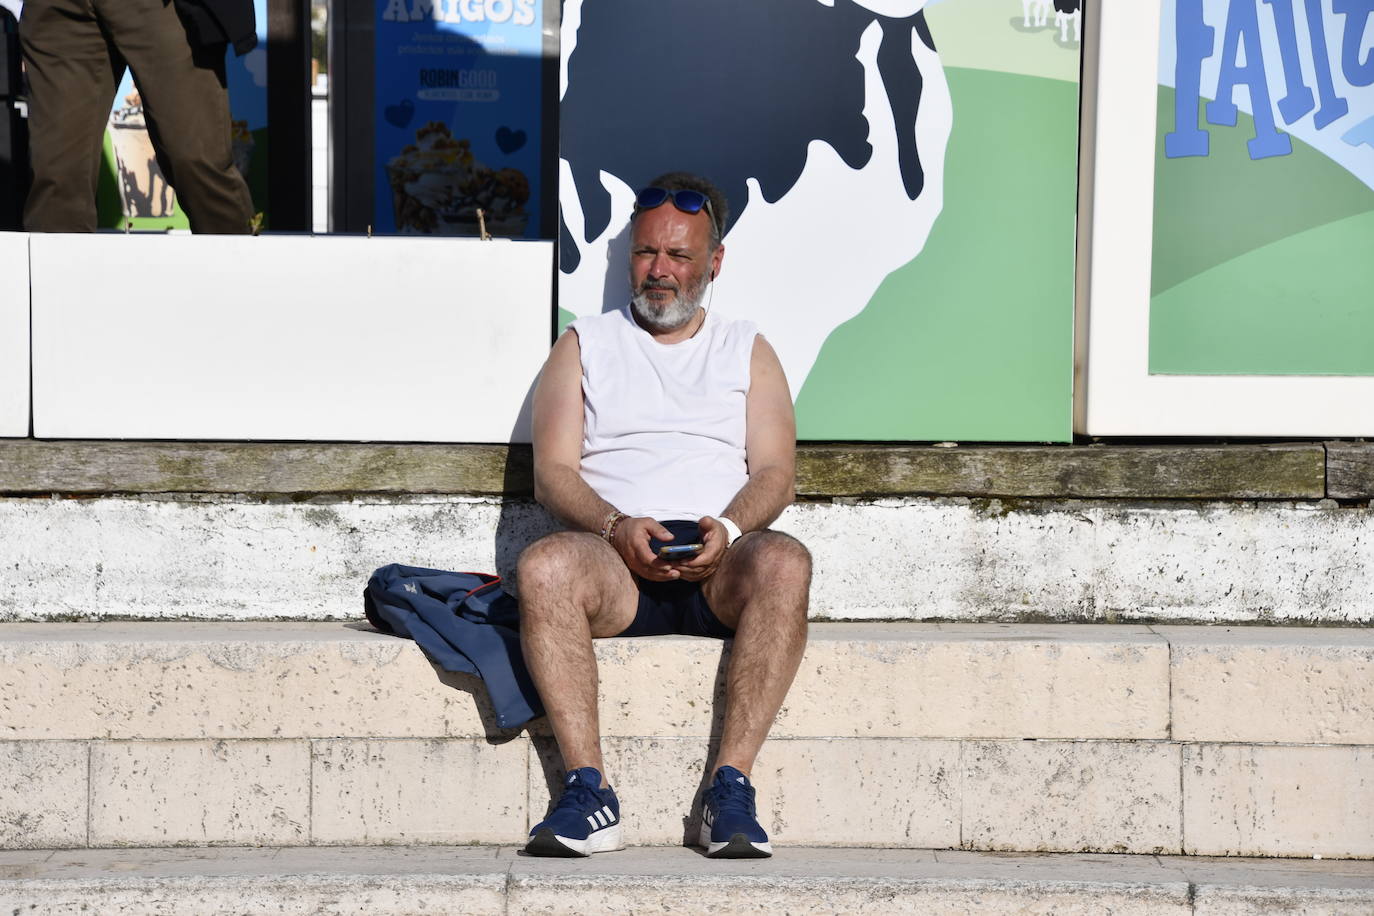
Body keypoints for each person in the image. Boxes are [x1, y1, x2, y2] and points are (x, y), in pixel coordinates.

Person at [519, 171, 811, 859]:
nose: (660, 271)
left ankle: (728, 791)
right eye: (648, 253)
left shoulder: (747, 347)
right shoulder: (584, 343)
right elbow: (552, 473)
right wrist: (615, 526)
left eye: (679, 257)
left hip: (721, 566)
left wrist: (731, 530)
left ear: (714, 263)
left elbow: (776, 473)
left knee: (786, 561)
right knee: (544, 565)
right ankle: (589, 793)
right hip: (614, 563)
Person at [19, 0, 256, 233]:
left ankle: (243, 269)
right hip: (60, 11)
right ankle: (58, 272)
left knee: (197, 165)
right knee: (57, 178)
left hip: (161, 7)